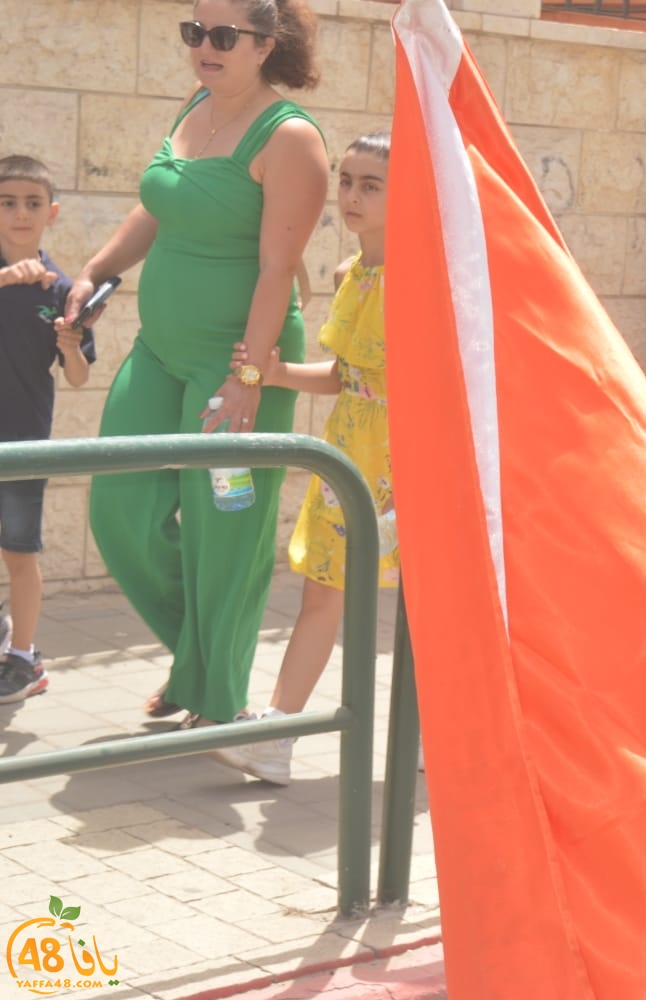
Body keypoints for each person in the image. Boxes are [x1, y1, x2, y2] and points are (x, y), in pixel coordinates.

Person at [63, 0, 328, 728]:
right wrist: (97, 269)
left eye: (221, 36)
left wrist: (246, 382)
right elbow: (159, 205)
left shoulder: (292, 139)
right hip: (160, 350)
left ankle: (215, 695)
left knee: (224, 532)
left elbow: (278, 268)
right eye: (194, 32)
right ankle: (198, 656)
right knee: (121, 512)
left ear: (265, 44)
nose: (203, 48)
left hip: (237, 362)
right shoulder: (197, 103)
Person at [212, 131, 395, 784]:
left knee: (430, 612)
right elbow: (349, 377)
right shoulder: (351, 275)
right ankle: (279, 733)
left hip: (406, 462)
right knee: (323, 592)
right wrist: (275, 371)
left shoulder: (425, 281)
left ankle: (437, 741)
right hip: (348, 452)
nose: (350, 196)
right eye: (347, 181)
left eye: (370, 185)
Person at [0, 155, 96, 704]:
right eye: (8, 202)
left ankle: (25, 658)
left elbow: (79, 375)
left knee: (19, 550)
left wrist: (69, 346)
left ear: (51, 213)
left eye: (32, 203)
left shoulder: (62, 291)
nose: (20, 213)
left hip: (23, 440)